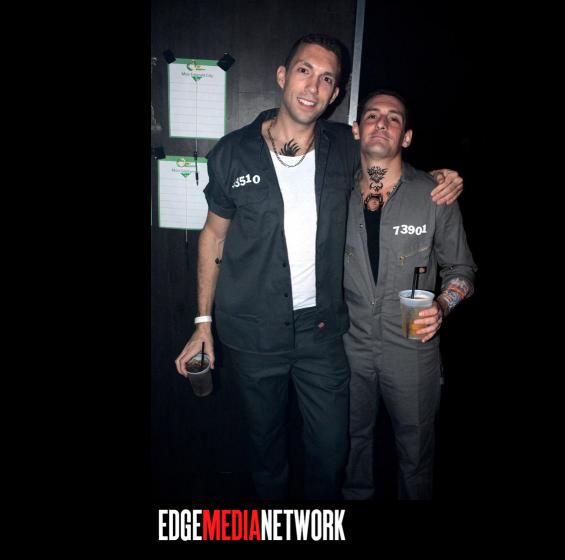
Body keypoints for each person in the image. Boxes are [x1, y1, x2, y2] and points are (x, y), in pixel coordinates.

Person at [175, 34, 464, 500]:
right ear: (282, 76)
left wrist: (437, 178)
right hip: (253, 332)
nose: (313, 86)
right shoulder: (232, 152)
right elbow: (213, 235)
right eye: (304, 71)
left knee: (332, 453)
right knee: (266, 451)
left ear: (335, 95)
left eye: (327, 79)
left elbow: (387, 160)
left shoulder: (343, 149)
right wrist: (202, 322)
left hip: (323, 333)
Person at [342, 90, 477, 500]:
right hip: (348, 346)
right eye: (372, 116)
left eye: (394, 118)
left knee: (415, 454)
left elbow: (462, 271)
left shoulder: (434, 194)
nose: (381, 123)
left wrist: (443, 304)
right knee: (350, 447)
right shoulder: (333, 191)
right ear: (356, 129)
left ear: (407, 137)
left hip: (412, 349)